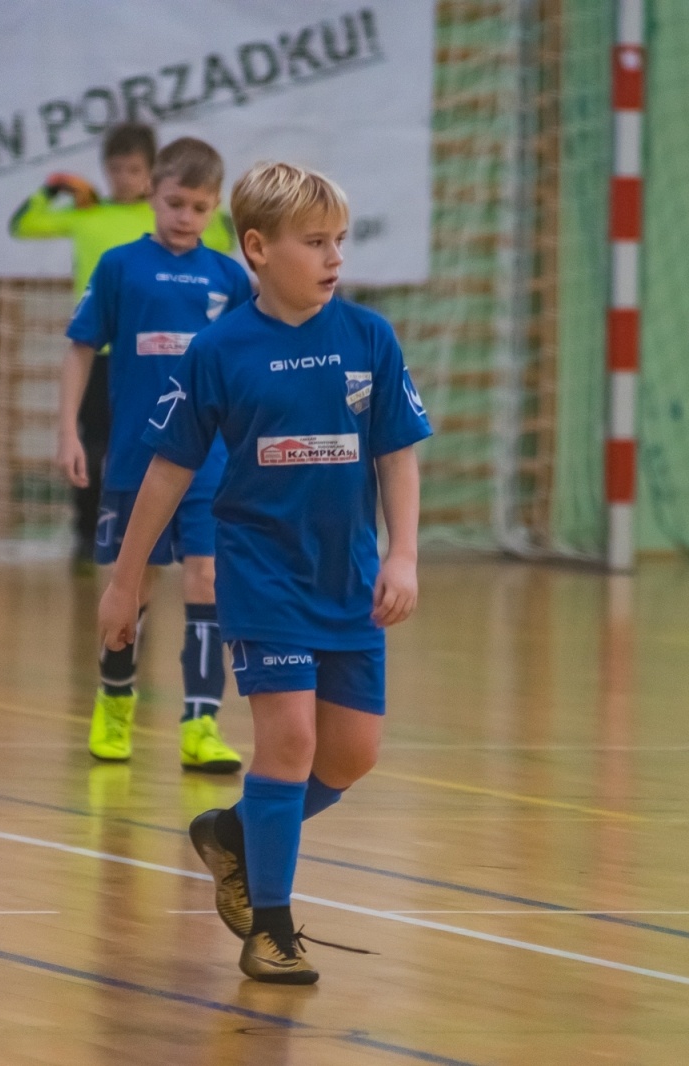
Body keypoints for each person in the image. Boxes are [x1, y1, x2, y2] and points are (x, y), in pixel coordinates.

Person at [97, 162, 431, 983]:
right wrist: (125, 579)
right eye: (314, 242)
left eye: (339, 242)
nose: (334, 258)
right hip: (261, 576)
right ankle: (272, 931)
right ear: (257, 248)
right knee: (289, 742)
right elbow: (168, 471)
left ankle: (235, 834)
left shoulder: (368, 338)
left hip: (347, 578)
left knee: (351, 755)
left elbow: (397, 455)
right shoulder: (219, 351)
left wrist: (403, 554)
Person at [61, 138, 253, 774]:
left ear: (215, 209)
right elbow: (81, 347)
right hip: (137, 458)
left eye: (200, 207)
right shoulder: (119, 267)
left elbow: (249, 366)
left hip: (211, 464)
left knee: (208, 581)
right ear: (152, 195)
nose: (185, 218)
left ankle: (201, 723)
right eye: (175, 203)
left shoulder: (229, 277)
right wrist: (68, 430)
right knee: (133, 583)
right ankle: (115, 702)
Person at [10, 122, 234, 573]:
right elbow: (23, 224)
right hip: (108, 352)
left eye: (134, 169)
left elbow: (226, 235)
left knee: (176, 448)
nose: (123, 179)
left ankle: (176, 540)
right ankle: (89, 530)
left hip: (168, 357)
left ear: (151, 176)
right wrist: (55, 187)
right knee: (97, 447)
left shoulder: (180, 218)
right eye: (115, 169)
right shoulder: (90, 215)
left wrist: (206, 199)